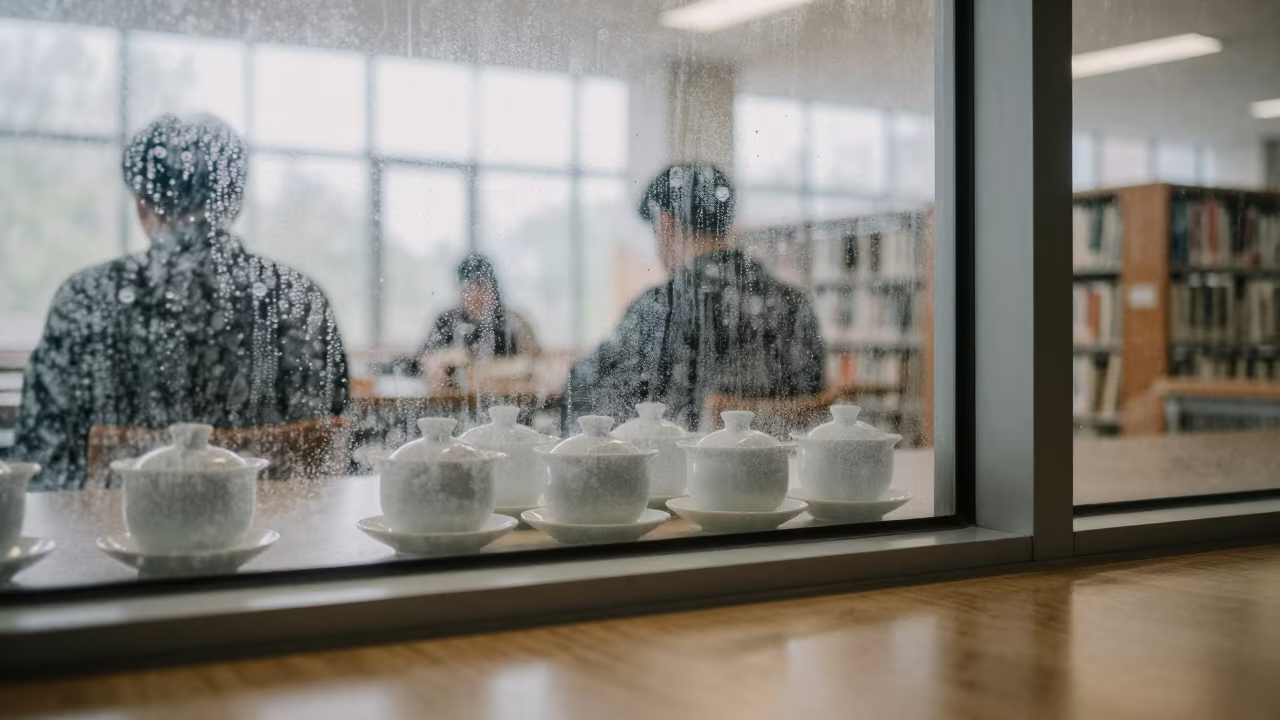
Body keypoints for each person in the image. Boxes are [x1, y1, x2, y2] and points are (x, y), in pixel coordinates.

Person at [14, 114, 349, 490]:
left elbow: (39, 468)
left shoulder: (84, 299)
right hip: (272, 538)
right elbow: (328, 450)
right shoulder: (299, 299)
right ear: (234, 201)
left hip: (119, 541)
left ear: (141, 203)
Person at [565, 162, 825, 430]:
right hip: (783, 468)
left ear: (666, 223)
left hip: (686, 467)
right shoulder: (794, 303)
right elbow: (814, 401)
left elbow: (592, 398)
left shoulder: (661, 307)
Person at [416, 253, 541, 385]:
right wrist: (436, 364)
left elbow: (535, 363)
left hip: (505, 396)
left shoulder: (514, 321)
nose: (475, 293)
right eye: (468, 287)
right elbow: (423, 359)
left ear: (493, 287)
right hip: (454, 399)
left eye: (481, 286)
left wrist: (493, 369)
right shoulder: (445, 320)